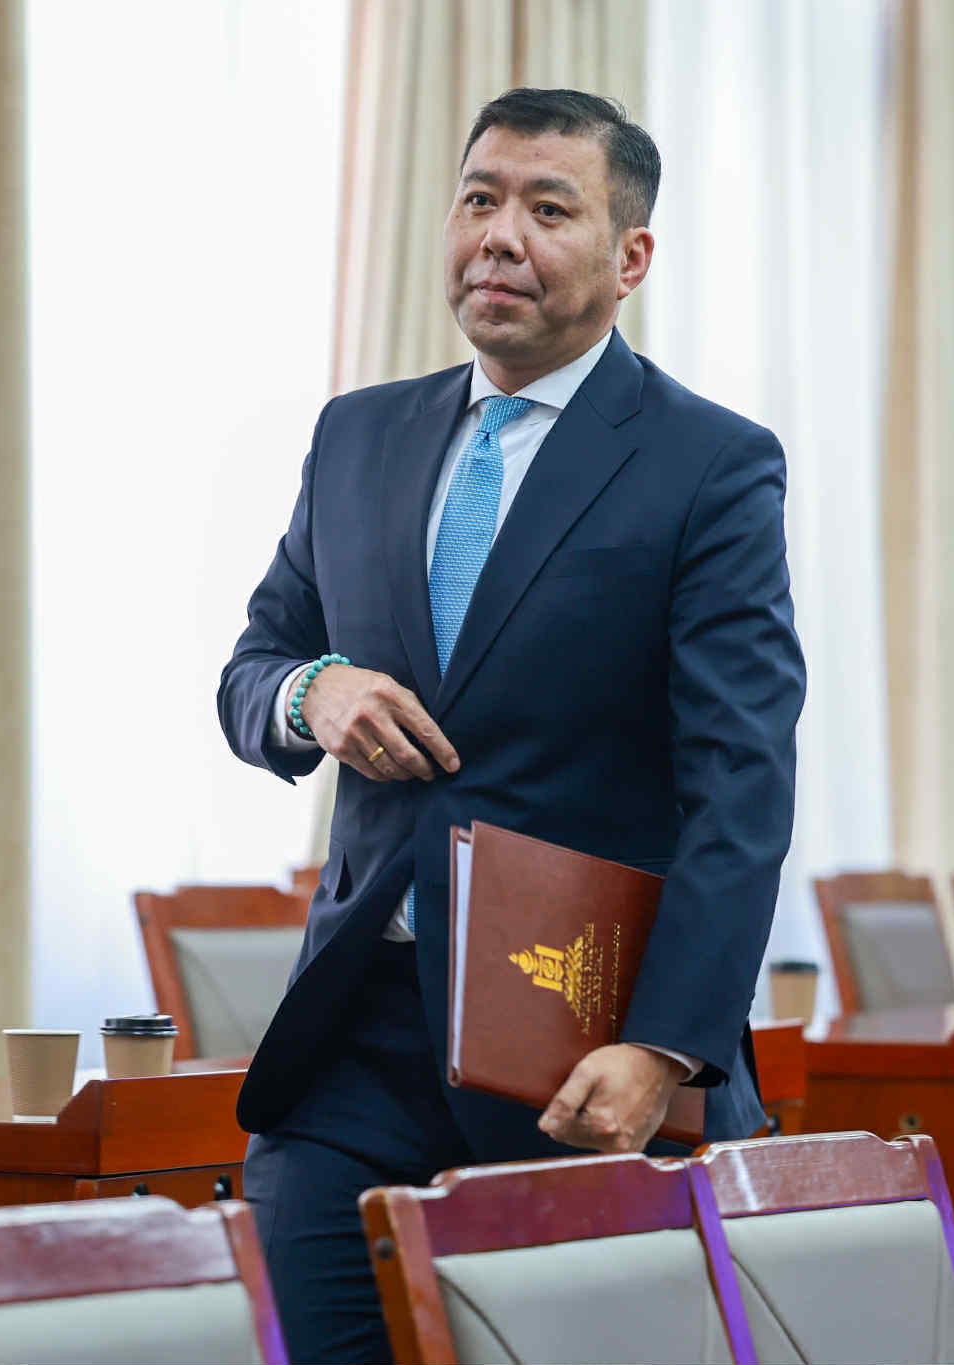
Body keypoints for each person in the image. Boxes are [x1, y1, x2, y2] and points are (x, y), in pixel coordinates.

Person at [216, 88, 806, 1362]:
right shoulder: (357, 436)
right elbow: (254, 668)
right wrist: (314, 693)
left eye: (547, 209)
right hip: (353, 1040)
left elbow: (740, 786)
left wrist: (663, 1046)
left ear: (628, 257)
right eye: (478, 199)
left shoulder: (708, 465)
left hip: (574, 1048)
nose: (498, 235)